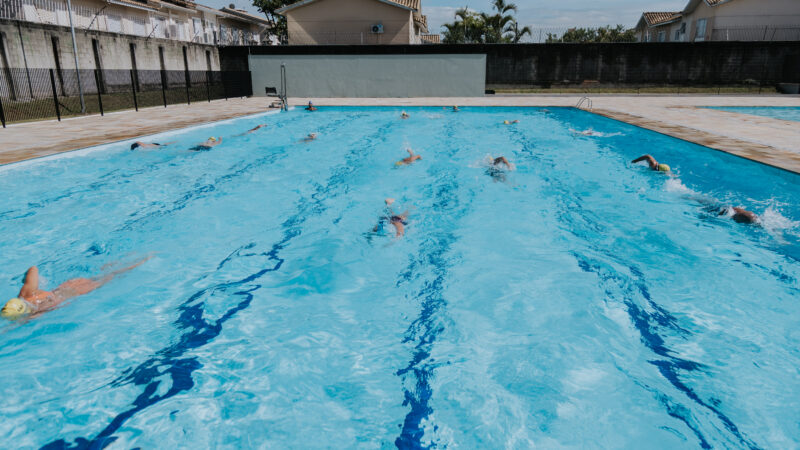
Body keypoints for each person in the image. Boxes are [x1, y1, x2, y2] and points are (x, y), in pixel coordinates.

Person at [1, 258, 150, 320]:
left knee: (114, 276)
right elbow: (33, 268)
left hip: (79, 291)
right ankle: (135, 261)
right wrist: (25, 280)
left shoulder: (37, 312)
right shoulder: (26, 293)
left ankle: (143, 260)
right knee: (107, 275)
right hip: (69, 284)